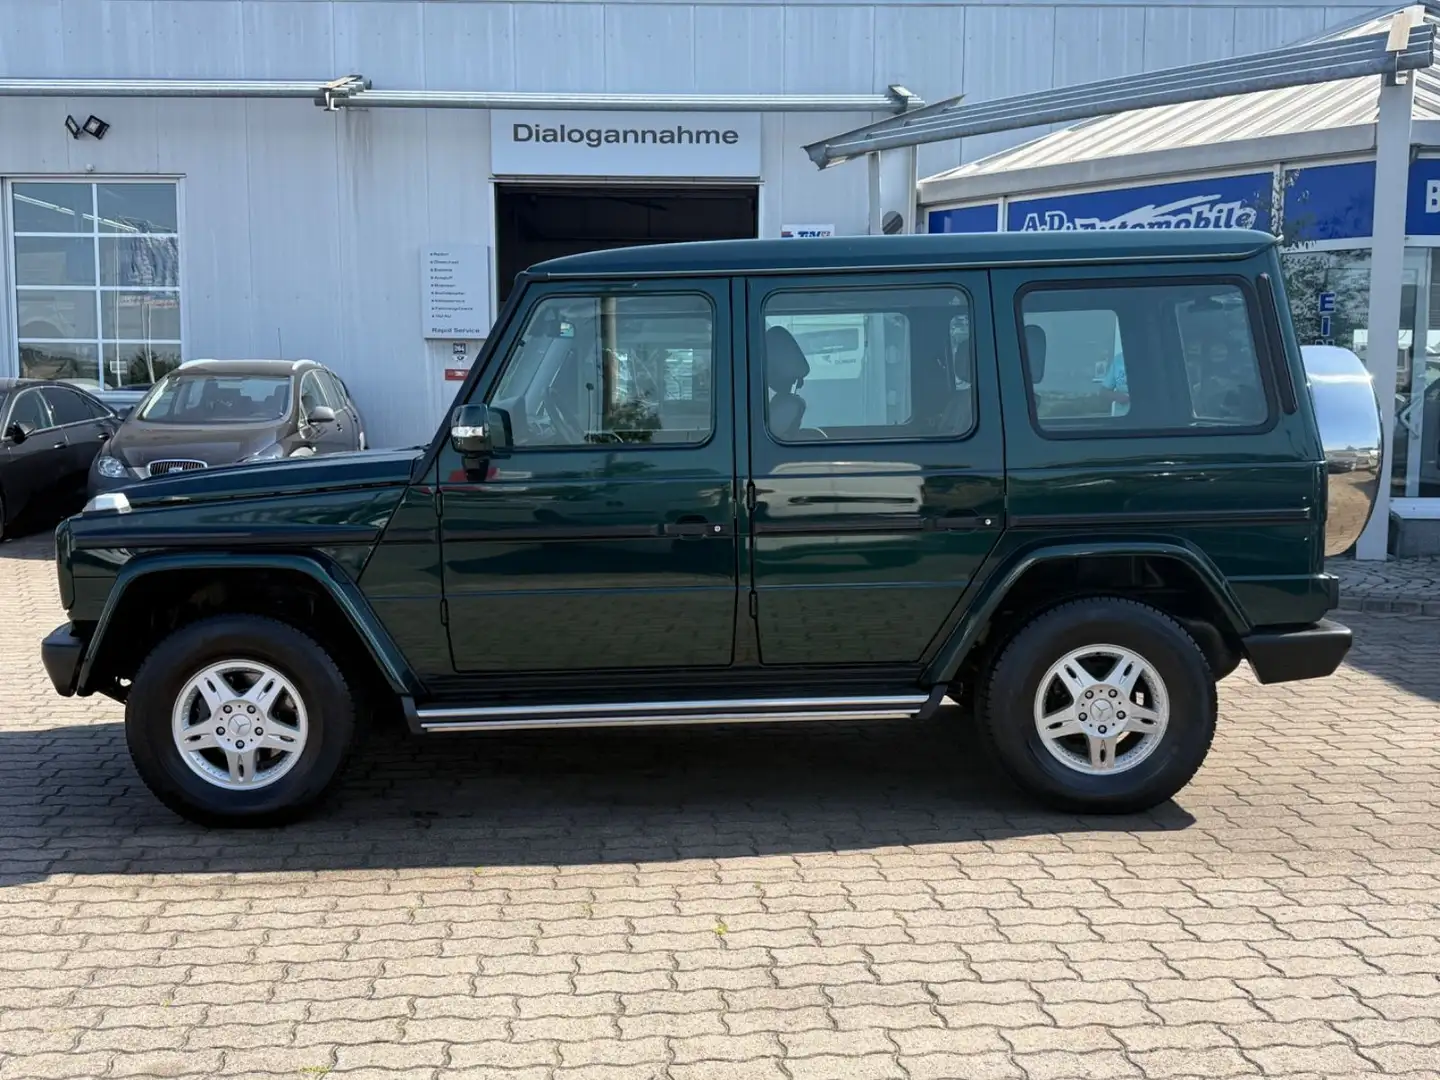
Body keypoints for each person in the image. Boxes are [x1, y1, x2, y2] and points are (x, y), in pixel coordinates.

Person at [1100, 350, 1129, 416]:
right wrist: (1117, 396)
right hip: (1122, 419)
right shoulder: (1119, 359)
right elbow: (1104, 391)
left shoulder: (1151, 358)